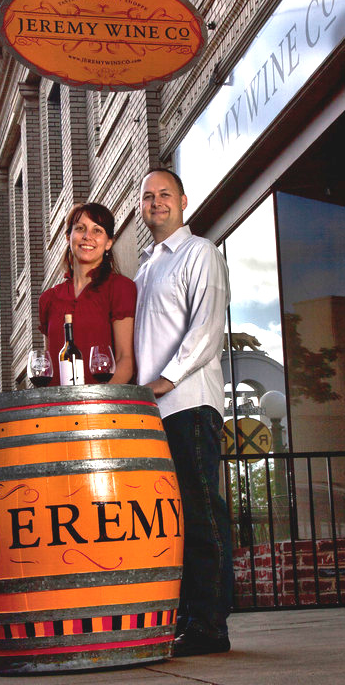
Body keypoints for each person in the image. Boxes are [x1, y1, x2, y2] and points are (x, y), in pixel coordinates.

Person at [134, 167, 233, 656]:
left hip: (189, 404)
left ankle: (210, 626)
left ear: (183, 201)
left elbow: (207, 329)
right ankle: (186, 619)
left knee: (200, 514)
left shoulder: (201, 253)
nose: (156, 202)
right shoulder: (144, 271)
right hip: (151, 415)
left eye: (164, 194)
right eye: (148, 196)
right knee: (170, 522)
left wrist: (166, 380)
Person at [39, 202, 136, 385]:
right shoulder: (48, 299)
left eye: (97, 230)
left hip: (105, 401)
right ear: (68, 237)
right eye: (80, 228)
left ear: (108, 243)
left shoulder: (120, 288)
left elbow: (125, 361)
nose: (87, 236)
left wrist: (98, 401)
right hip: (58, 402)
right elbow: (50, 367)